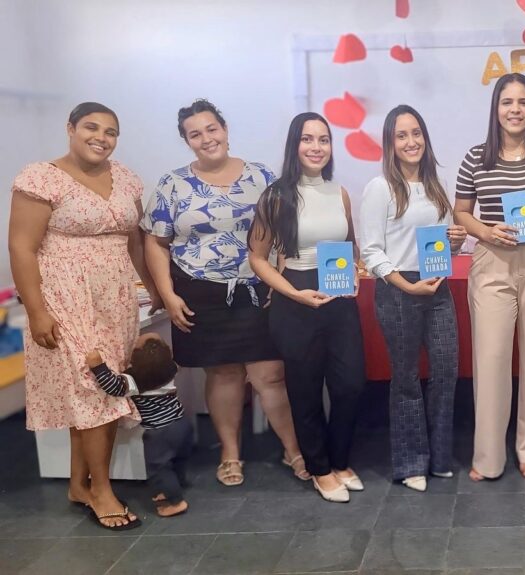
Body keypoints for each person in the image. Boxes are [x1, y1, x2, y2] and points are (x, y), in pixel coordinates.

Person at [142, 100, 305, 487]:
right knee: (224, 372)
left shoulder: (262, 176)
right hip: (200, 292)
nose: (206, 138)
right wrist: (167, 294)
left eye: (211, 128)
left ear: (225, 129)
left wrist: (281, 280)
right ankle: (230, 453)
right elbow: (155, 242)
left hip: (258, 289)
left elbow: (285, 233)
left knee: (270, 374)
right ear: (187, 141)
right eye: (195, 134)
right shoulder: (172, 184)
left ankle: (294, 450)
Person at [9, 102, 156, 530]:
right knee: (93, 389)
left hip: (115, 299)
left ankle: (79, 485)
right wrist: (36, 311)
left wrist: (152, 289)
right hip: (65, 295)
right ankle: (102, 491)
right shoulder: (41, 178)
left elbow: (134, 241)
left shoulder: (125, 178)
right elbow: (21, 247)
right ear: (70, 128)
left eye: (111, 132)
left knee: (97, 393)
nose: (101, 137)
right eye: (91, 127)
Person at [454, 73, 525, 481]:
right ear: (496, 108)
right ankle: (488, 455)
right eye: (507, 102)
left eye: (523, 102)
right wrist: (485, 232)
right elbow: (461, 212)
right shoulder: (476, 158)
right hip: (492, 262)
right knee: (491, 360)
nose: (515, 110)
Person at [248, 112, 367, 503]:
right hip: (296, 296)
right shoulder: (276, 196)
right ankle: (319, 468)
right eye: (307, 139)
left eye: (323, 139)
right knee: (305, 389)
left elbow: (350, 245)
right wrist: (293, 293)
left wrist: (356, 269)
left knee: (350, 384)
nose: (316, 147)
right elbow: (258, 258)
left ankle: (340, 460)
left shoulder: (339, 192)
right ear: (294, 145)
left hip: (339, 295)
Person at [359, 105, 467, 492]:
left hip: (437, 287)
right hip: (398, 289)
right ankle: (410, 463)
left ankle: (439, 457)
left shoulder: (436, 185)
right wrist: (405, 286)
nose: (411, 142)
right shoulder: (380, 188)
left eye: (416, 133)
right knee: (405, 378)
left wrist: (456, 241)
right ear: (390, 143)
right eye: (401, 135)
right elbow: (371, 251)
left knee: (446, 372)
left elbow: (444, 245)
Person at [87, 333, 190, 518]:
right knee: (176, 460)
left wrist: (98, 366)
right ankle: (176, 484)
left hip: (159, 431)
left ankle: (175, 502)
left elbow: (113, 386)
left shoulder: (135, 380)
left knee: (159, 468)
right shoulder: (171, 367)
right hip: (182, 423)